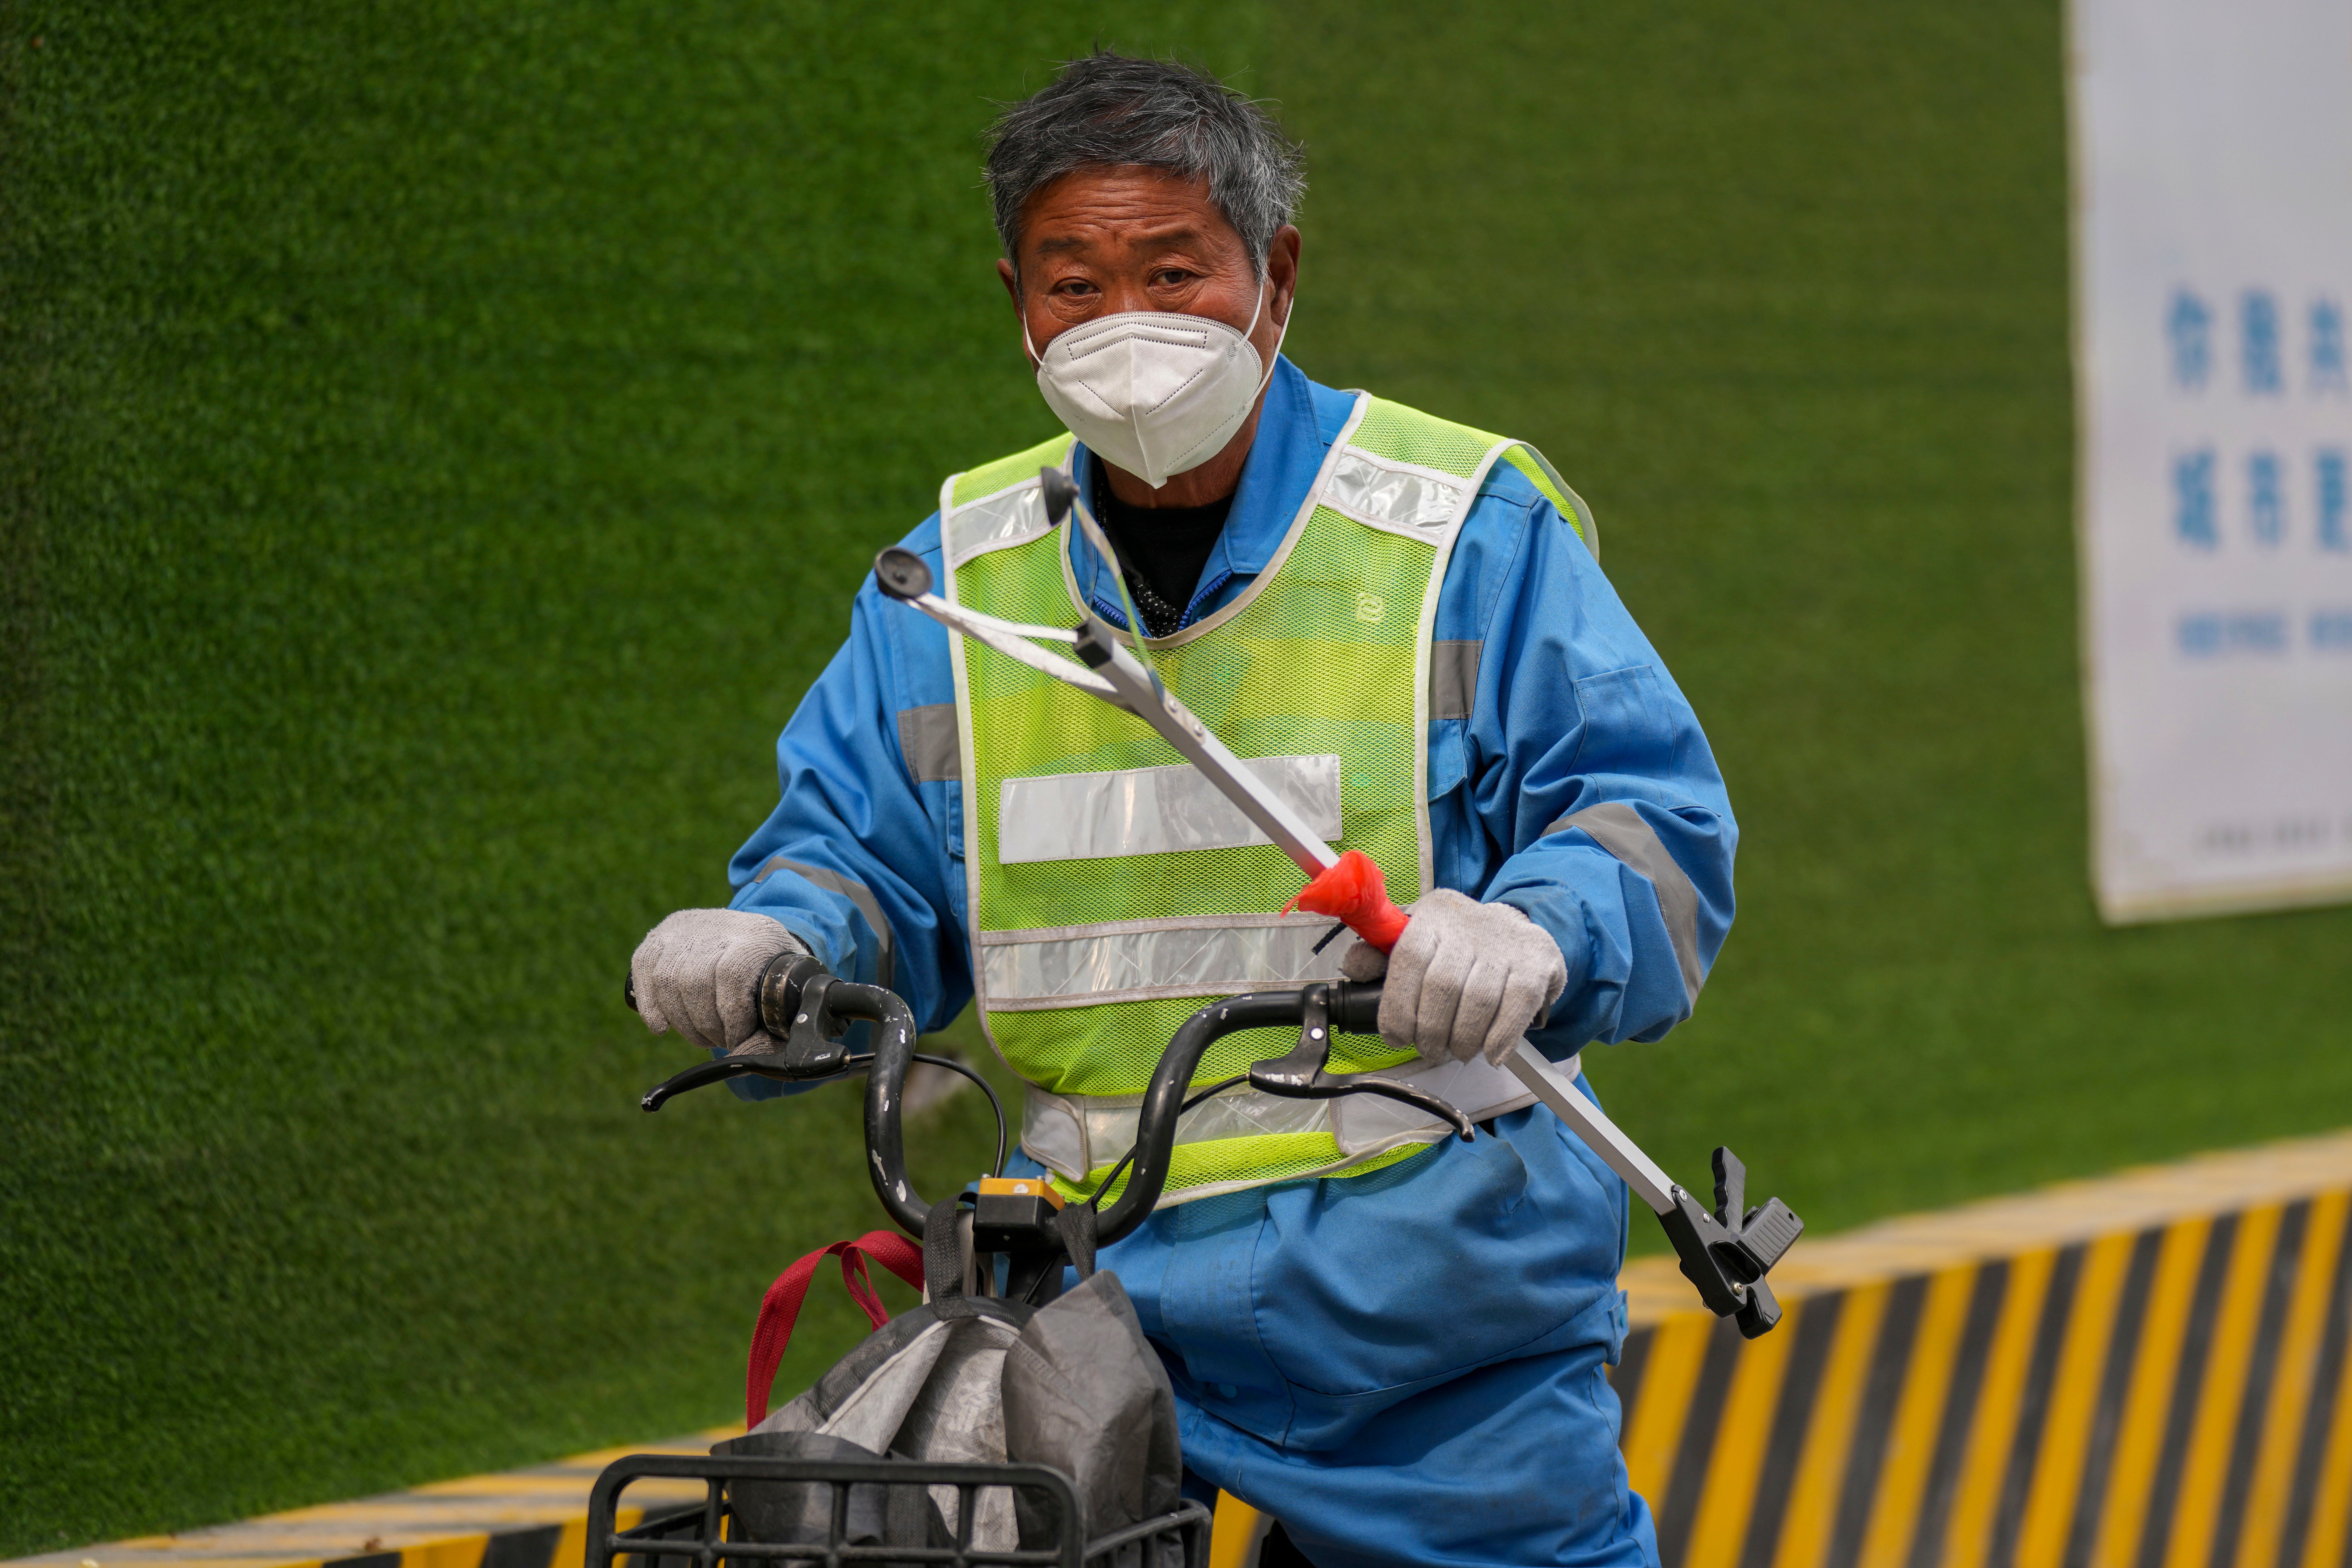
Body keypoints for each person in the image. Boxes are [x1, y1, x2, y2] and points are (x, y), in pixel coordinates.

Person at [628, 51, 1734, 1568]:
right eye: (1074, 284)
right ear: (1013, 297)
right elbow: (863, 862)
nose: (1125, 325)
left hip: (1428, 1306)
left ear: (1273, 278)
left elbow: (1651, 830)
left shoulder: (1464, 525)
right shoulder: (952, 580)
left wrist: (1532, 932)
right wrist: (769, 942)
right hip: (1086, 1289)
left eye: (1173, 271)